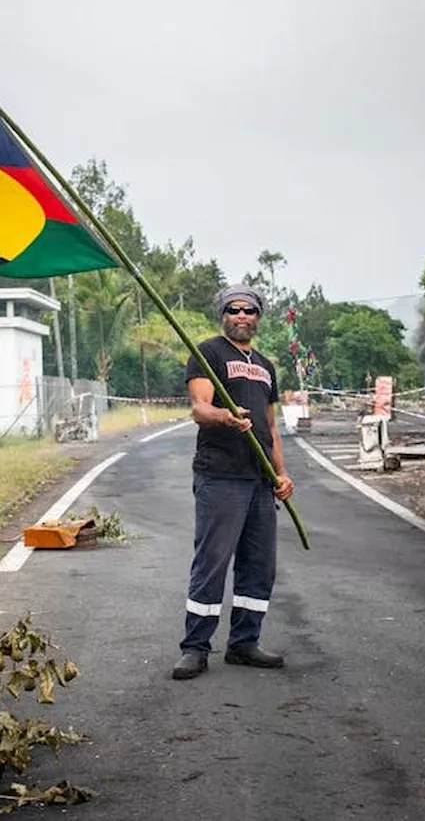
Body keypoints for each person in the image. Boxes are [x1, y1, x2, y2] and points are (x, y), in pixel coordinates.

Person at [172, 284, 295, 681]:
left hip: (260, 480)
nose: (242, 316)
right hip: (221, 475)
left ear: (258, 317)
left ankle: (244, 643)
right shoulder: (209, 353)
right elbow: (199, 408)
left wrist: (281, 473)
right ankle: (195, 648)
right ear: (223, 314)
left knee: (258, 567)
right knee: (212, 563)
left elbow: (272, 428)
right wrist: (224, 416)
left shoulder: (265, 365)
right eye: (234, 309)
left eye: (249, 310)